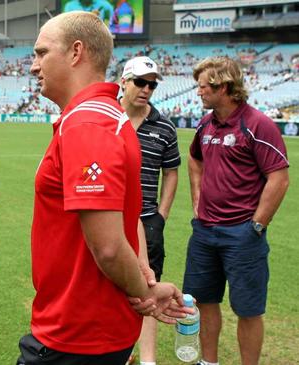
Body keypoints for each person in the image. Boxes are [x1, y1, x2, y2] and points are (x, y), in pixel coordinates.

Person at [18, 11, 189, 365]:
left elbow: (109, 247)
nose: (34, 66)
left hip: (76, 332)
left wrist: (145, 292)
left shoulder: (88, 124)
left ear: (75, 52)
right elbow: (133, 217)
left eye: (41, 53)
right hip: (87, 327)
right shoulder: (106, 116)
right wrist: (144, 276)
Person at [185, 56, 290, 365]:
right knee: (204, 300)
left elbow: (279, 178)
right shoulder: (205, 123)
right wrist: (197, 199)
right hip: (204, 232)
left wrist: (256, 225)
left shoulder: (257, 124)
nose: (199, 92)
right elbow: (194, 159)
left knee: (248, 309)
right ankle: (209, 361)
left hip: (243, 234)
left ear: (225, 87)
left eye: (204, 87)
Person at [120, 56, 181, 365]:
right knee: (109, 286)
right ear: (124, 82)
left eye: (152, 85)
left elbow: (172, 172)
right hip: (110, 220)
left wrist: (162, 214)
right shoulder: (108, 119)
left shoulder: (164, 127)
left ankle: (147, 360)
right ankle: (118, 350)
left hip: (147, 219)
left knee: (150, 288)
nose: (146, 89)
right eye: (141, 82)